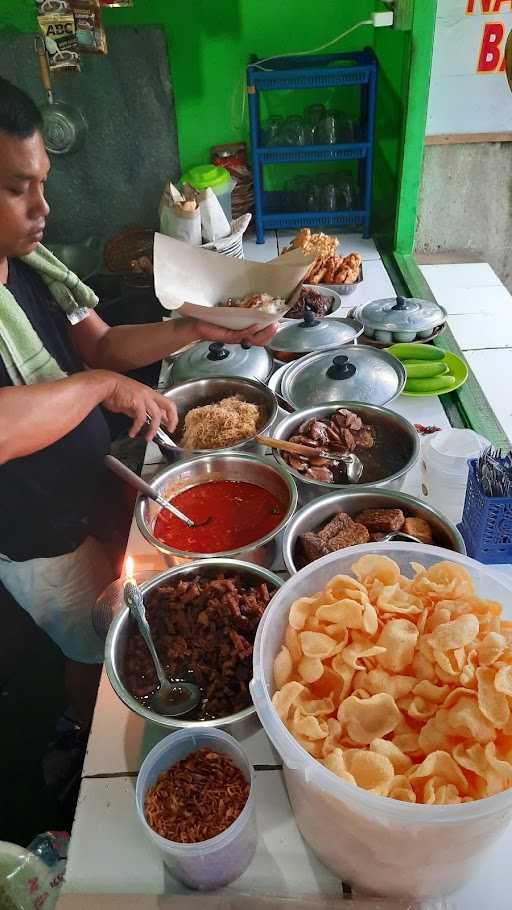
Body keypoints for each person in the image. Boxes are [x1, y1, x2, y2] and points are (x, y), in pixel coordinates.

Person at [0, 77, 277, 734]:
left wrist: (193, 328)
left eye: (41, 181)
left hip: (94, 487)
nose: (43, 207)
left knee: (122, 611)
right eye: (17, 189)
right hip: (37, 535)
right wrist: (99, 389)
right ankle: (79, 741)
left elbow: (103, 346)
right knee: (90, 644)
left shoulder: (28, 264)